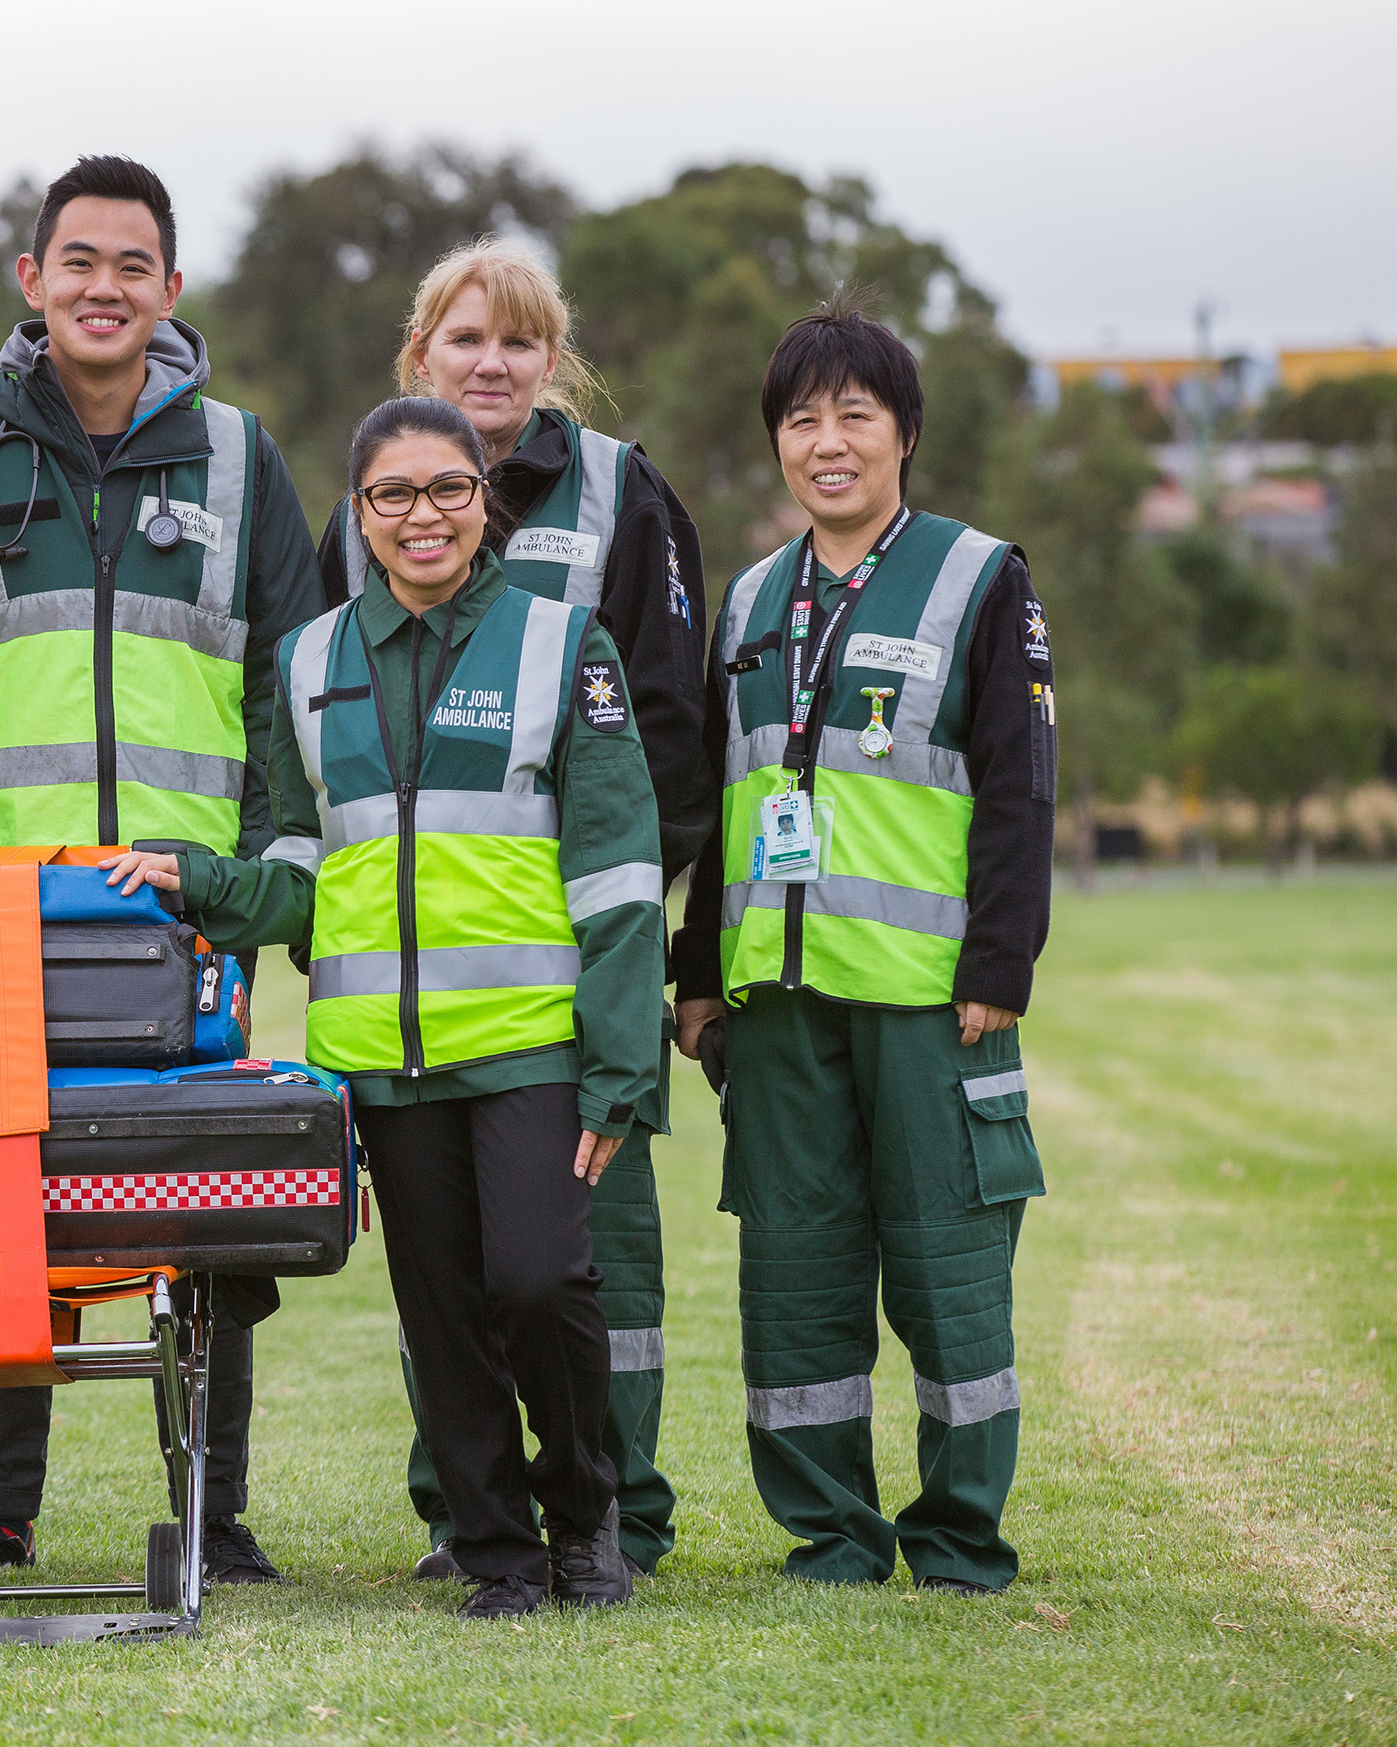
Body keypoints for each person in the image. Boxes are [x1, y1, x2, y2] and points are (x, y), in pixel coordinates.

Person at [108, 396, 661, 1617]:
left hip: (527, 1041)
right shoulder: (307, 661)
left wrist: (621, 1062)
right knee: (441, 1316)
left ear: (482, 501)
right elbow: (300, 867)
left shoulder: (562, 645)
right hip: (379, 1056)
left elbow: (617, 871)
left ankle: (584, 1520)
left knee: (541, 1281)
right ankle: (497, 1553)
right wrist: (197, 881)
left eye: (447, 489)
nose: (422, 515)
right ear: (358, 514)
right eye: (392, 493)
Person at [0, 156, 322, 1583]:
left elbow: (289, 681)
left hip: (185, 913)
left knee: (211, 1201)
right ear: (32, 280)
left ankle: (212, 1512)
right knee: (4, 1204)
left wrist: (253, 870)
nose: (102, 288)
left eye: (131, 266)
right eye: (78, 261)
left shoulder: (239, 458)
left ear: (169, 290)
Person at [318, 239, 712, 1579]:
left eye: (519, 340)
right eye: (465, 338)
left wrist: (602, 927)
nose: (491, 363)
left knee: (581, 1264)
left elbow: (667, 729)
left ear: (554, 363)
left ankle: (615, 1517)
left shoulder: (618, 493)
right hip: (414, 990)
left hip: (571, 970)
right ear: (417, 355)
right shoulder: (365, 502)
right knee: (443, 1275)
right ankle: (468, 1520)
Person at [671, 298, 1053, 1593]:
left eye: (852, 414)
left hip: (925, 997)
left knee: (950, 1270)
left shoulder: (975, 575)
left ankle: (956, 1534)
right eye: (799, 418)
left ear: (903, 432)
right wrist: (694, 974)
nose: (824, 441)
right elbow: (725, 803)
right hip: (775, 1002)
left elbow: (1019, 784)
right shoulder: (746, 599)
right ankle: (829, 1532)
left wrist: (997, 963)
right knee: (794, 1270)